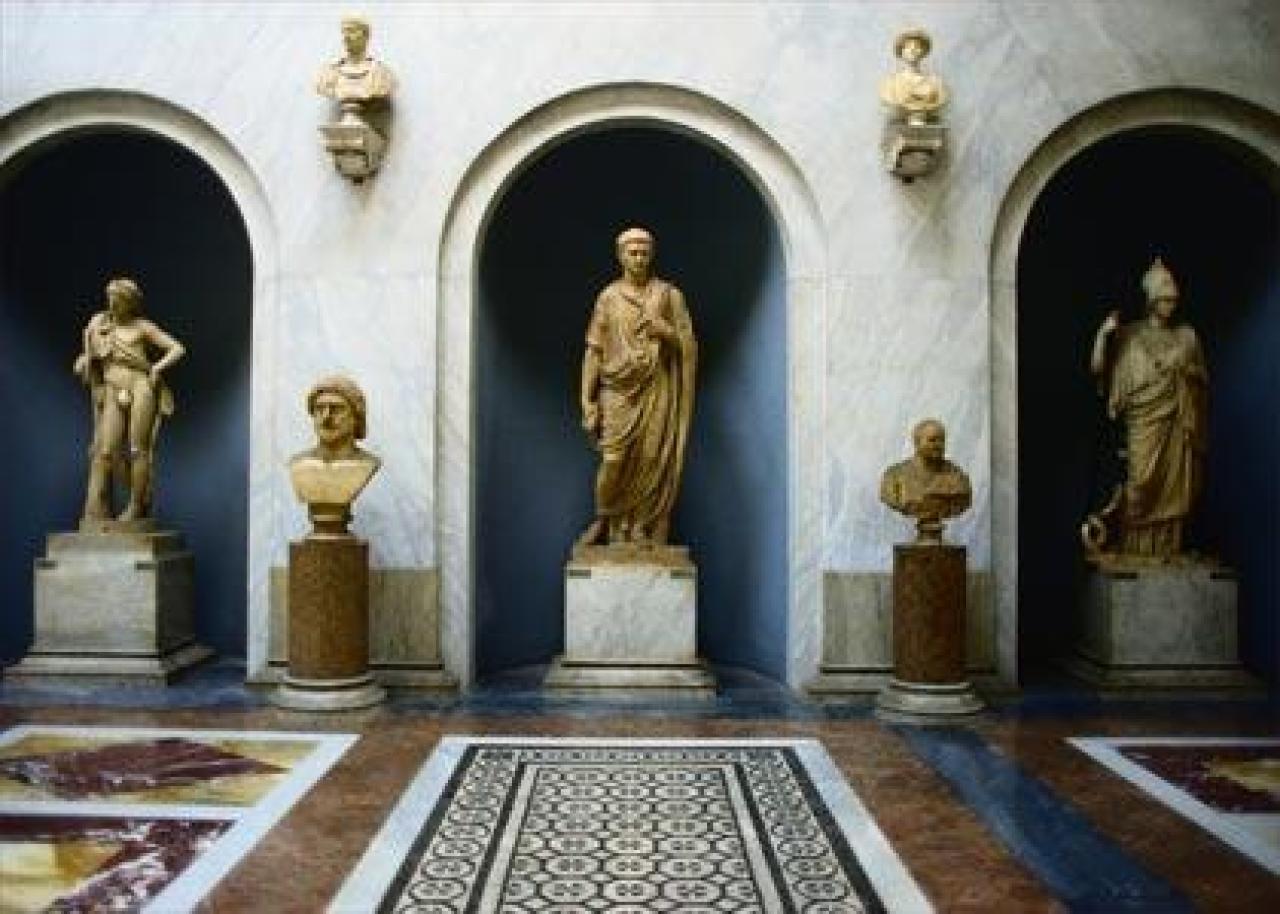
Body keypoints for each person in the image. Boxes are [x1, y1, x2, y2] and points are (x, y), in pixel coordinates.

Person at [575, 228, 697, 548]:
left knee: (651, 459)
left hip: (657, 387)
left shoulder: (668, 296)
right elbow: (594, 350)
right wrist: (587, 400)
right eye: (633, 253)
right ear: (621, 256)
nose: (639, 258)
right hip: (616, 390)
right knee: (613, 460)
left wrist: (664, 330)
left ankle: (641, 526)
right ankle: (604, 519)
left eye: (644, 252)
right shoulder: (608, 298)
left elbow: (689, 346)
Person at [1086, 257, 1207, 557]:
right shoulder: (1130, 335)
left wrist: (1185, 369)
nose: (1170, 306)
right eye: (1164, 300)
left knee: (1176, 488)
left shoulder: (1186, 336)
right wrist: (1103, 336)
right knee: (1140, 483)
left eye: (1173, 301)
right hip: (1143, 419)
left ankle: (1167, 549)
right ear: (1151, 301)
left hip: (1177, 420)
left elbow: (1203, 379)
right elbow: (1099, 369)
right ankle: (1132, 548)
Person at [74, 277, 185, 524]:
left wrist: (156, 368)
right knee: (108, 450)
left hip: (140, 385)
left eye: (118, 300)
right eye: (110, 299)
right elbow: (91, 354)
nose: (112, 304)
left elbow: (177, 348)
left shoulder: (142, 327)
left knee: (137, 449)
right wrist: (87, 363)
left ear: (130, 303)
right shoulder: (100, 325)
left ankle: (135, 506)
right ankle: (142, 495)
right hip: (113, 385)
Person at [879, 418, 971, 542]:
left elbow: (962, 498)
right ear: (917, 443)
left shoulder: (958, 477)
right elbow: (891, 498)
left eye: (942, 440)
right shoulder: (894, 476)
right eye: (932, 440)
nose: (938, 445)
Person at [315, 15, 396, 110]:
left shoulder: (381, 73)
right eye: (344, 32)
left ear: (366, 36)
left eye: (351, 31)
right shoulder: (330, 72)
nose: (346, 37)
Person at [879, 28, 947, 125]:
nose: (912, 50)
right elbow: (888, 99)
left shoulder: (936, 84)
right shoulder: (891, 85)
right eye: (908, 47)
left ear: (923, 51)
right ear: (901, 51)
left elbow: (941, 99)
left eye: (917, 46)